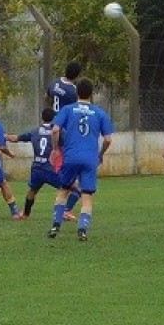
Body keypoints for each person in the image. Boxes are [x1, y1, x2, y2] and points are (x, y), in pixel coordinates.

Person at [48, 78, 114, 242]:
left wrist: (56, 150)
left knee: (64, 190)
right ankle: (82, 230)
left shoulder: (68, 109)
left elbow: (55, 130)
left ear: (77, 92)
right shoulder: (99, 113)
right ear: (91, 94)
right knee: (86, 195)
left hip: (71, 157)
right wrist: (101, 154)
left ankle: (56, 225)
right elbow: (108, 139)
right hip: (90, 158)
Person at [6, 108, 65, 220]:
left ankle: (26, 214)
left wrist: (3, 136)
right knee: (67, 188)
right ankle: (64, 212)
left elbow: (16, 138)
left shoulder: (35, 131)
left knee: (33, 191)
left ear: (42, 118)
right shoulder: (58, 131)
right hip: (50, 168)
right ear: (54, 118)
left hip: (37, 167)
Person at [45, 61, 83, 220]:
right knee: (75, 168)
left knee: (62, 161)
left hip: (53, 126)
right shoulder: (73, 91)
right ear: (77, 76)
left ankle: (66, 187)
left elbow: (46, 98)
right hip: (65, 131)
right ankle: (67, 206)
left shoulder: (54, 83)